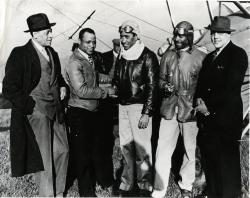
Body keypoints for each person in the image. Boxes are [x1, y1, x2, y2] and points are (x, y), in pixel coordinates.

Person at [2, 13, 69, 196]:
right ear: (35, 34)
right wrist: (29, 106)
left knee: (63, 151)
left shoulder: (52, 53)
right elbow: (8, 87)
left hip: (57, 110)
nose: (51, 35)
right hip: (36, 113)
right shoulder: (20, 54)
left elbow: (59, 78)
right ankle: (47, 195)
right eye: (47, 32)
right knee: (44, 158)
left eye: (50, 32)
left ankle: (59, 193)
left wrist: (63, 87)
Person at [195, 16, 248, 198]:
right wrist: (199, 101)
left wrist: (208, 107)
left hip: (226, 120)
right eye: (213, 33)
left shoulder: (238, 54)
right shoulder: (210, 57)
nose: (216, 37)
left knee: (226, 165)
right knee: (211, 162)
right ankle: (213, 193)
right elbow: (201, 84)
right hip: (209, 121)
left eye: (220, 33)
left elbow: (231, 88)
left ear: (228, 34)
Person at [152, 21, 206, 198]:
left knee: (190, 150)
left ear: (189, 36)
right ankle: (159, 188)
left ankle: (187, 186)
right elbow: (160, 80)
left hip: (190, 111)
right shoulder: (167, 56)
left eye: (181, 36)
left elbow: (205, 86)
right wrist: (164, 86)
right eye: (175, 35)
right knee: (162, 149)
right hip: (169, 109)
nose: (176, 39)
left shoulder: (200, 57)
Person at [64, 28, 114, 197]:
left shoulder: (88, 59)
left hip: (91, 113)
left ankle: (100, 182)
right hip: (80, 113)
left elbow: (94, 75)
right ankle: (86, 192)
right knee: (82, 155)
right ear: (79, 41)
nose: (92, 45)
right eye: (88, 42)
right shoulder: (74, 61)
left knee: (94, 150)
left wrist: (111, 78)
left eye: (94, 41)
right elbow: (81, 90)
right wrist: (105, 92)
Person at [113, 20, 159, 197]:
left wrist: (146, 113)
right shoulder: (122, 56)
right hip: (123, 107)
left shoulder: (147, 56)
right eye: (121, 36)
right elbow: (118, 80)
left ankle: (144, 185)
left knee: (142, 149)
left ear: (136, 36)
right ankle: (127, 183)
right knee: (126, 148)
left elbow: (152, 86)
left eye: (127, 36)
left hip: (139, 108)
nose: (123, 40)